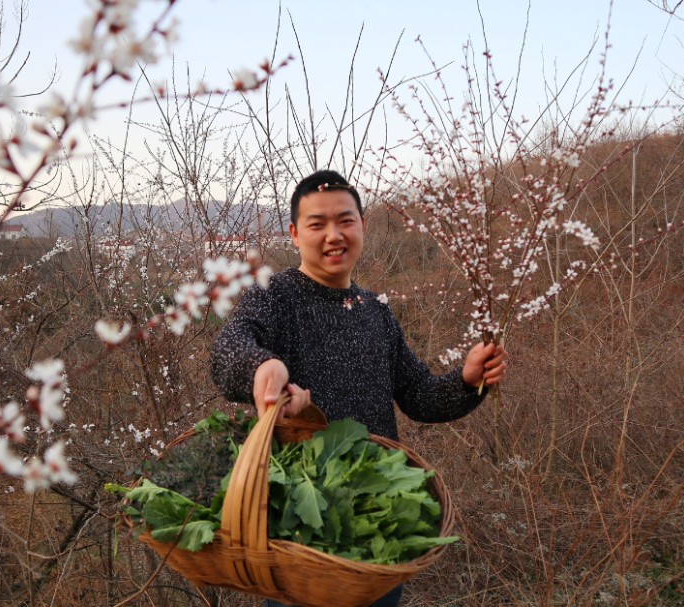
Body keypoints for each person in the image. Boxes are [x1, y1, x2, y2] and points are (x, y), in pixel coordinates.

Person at [209, 169, 507, 607]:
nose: (334, 235)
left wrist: (465, 380)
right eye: (317, 224)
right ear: (294, 234)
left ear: (362, 226)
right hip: (303, 533)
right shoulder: (276, 295)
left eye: (346, 221)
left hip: (376, 528)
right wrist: (263, 366)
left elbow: (419, 395)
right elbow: (228, 350)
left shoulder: (376, 313)